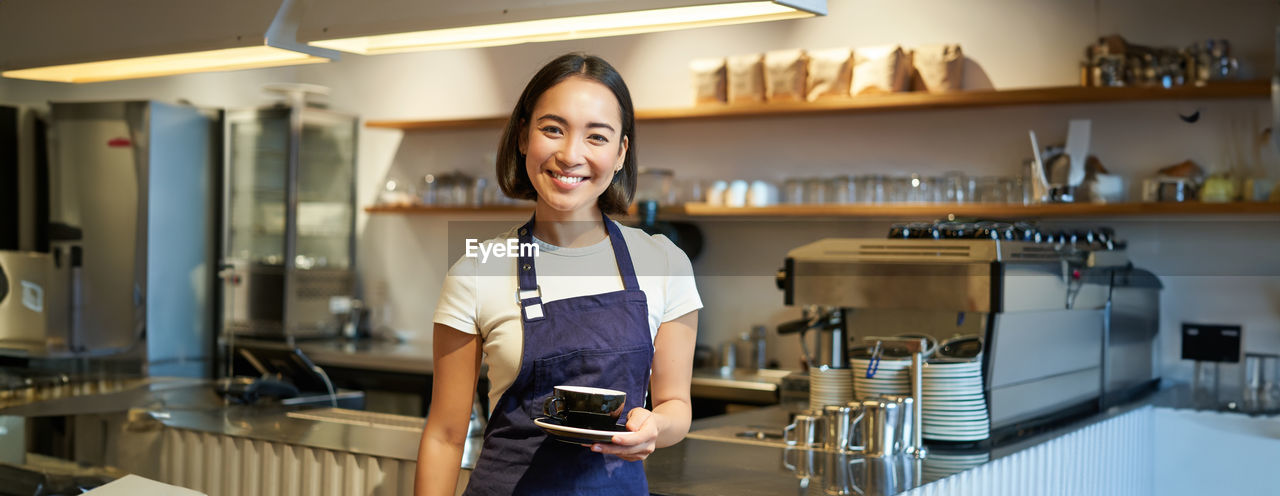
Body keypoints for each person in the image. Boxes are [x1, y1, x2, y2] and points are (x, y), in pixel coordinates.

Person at [415, 53, 701, 496]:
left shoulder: (665, 263)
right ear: (524, 138)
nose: (571, 155)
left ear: (621, 152)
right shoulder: (476, 271)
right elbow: (446, 435)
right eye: (553, 129)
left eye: (597, 137)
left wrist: (656, 428)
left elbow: (675, 406)